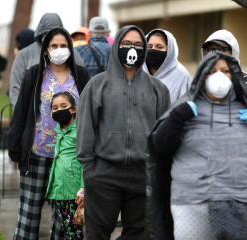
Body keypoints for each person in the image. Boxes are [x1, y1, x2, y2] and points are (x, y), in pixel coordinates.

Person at [76, 25, 171, 240]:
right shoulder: (97, 85)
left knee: (138, 234)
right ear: (116, 45)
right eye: (126, 44)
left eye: (138, 45)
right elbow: (85, 130)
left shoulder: (158, 89)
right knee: (97, 233)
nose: (132, 49)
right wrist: (90, 170)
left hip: (142, 174)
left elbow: (163, 134)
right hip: (103, 174)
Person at [147, 52, 247, 240]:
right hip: (191, 201)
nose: (219, 75)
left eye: (225, 71)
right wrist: (177, 118)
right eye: (212, 71)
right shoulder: (185, 107)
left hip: (238, 201)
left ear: (234, 75)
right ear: (202, 77)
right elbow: (160, 146)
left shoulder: (246, 110)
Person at [7, 27, 90, 240]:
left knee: (65, 221)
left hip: (69, 159)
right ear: (46, 49)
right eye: (54, 46)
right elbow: (21, 112)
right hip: (36, 155)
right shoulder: (34, 74)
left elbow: (90, 114)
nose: (59, 49)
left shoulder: (80, 75)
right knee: (29, 215)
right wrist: (15, 150)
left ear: (70, 48)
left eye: (63, 45)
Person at [9, 13, 84, 110]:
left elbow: (83, 88)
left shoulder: (74, 55)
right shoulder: (24, 55)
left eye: (55, 33)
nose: (51, 37)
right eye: (47, 34)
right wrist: (22, 115)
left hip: (69, 117)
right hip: (34, 116)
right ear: (40, 35)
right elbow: (16, 89)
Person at [46, 91, 84, 240]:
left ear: (74, 109)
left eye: (64, 106)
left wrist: (82, 188)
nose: (59, 110)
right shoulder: (59, 130)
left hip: (74, 192)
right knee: (68, 230)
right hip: (60, 190)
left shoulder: (79, 131)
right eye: (55, 108)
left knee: (75, 231)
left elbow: (84, 161)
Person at [143, 29, 192, 104]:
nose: (153, 50)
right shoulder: (137, 72)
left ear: (169, 50)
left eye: (159, 47)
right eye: (149, 47)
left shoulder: (182, 77)